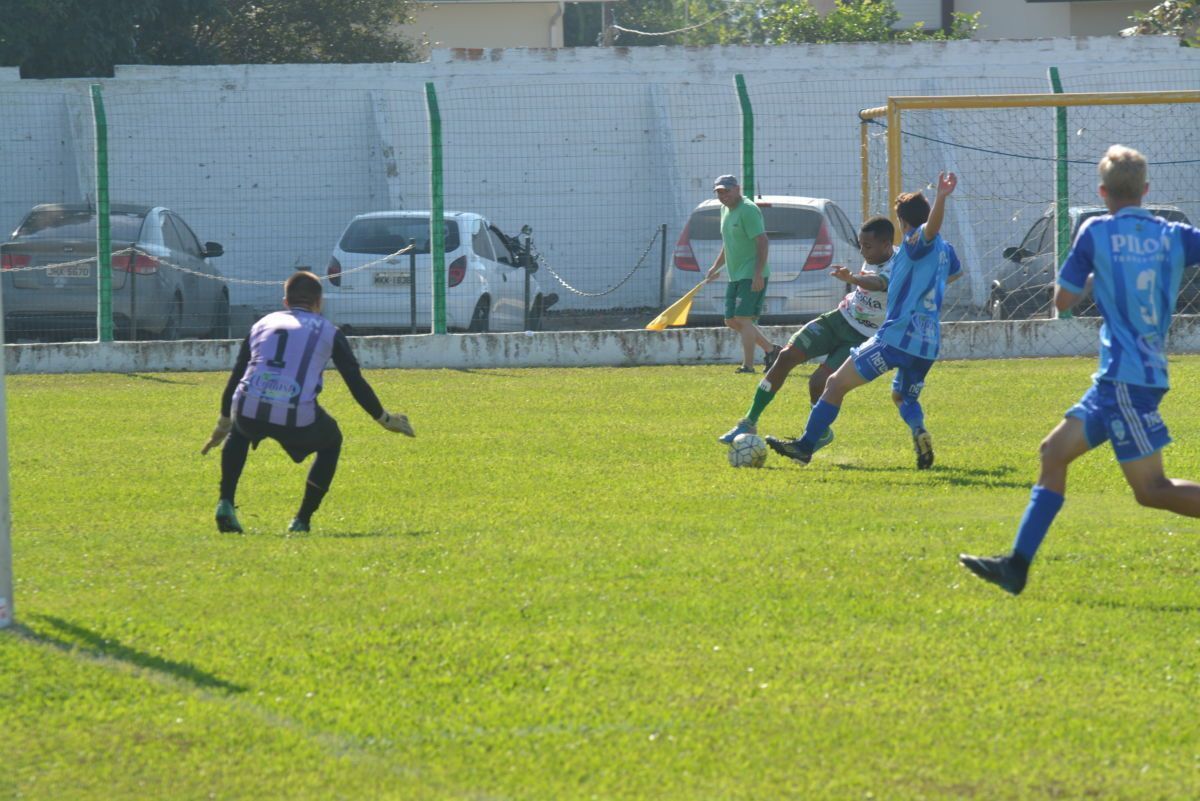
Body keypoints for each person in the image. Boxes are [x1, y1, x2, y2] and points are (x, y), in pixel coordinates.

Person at [960, 145, 1200, 596]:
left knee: (1151, 489)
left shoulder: (1096, 232)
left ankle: (1016, 564)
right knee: (1053, 453)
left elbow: (1062, 301)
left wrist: (1095, 279)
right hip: (1124, 376)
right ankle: (1016, 565)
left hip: (1127, 380)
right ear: (1146, 190)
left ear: (1102, 192)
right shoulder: (1174, 234)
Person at [766, 172, 961, 469]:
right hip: (928, 343)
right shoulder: (946, 251)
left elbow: (929, 230)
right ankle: (919, 431)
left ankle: (805, 446)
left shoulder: (914, 241)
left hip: (896, 336)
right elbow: (954, 274)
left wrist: (942, 198)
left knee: (834, 384)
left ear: (903, 222)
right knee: (902, 397)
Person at [200, 271, 415, 534]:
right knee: (332, 441)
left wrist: (223, 423)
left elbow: (237, 375)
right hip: (295, 414)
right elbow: (354, 380)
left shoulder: (262, 323)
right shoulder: (329, 330)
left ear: (285, 302)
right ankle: (301, 520)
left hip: (246, 407)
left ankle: (225, 503)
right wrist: (384, 418)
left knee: (240, 430)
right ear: (319, 302)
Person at [718, 216, 897, 447]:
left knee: (818, 382)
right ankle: (749, 421)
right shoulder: (875, 253)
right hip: (839, 318)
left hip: (861, 335)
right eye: (860, 244)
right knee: (784, 357)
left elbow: (879, 283)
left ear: (886, 244)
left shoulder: (899, 263)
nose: (863, 251)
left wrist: (853, 278)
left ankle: (819, 432)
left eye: (868, 246)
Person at [703, 175, 781, 373]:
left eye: (726, 191)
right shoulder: (724, 210)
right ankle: (772, 350)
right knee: (731, 320)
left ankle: (747, 366)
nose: (723, 195)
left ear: (737, 189)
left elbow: (762, 241)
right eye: (719, 192)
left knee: (744, 319)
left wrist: (757, 274)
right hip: (735, 274)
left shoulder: (748, 210)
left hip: (751, 273)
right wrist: (715, 267)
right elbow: (728, 244)